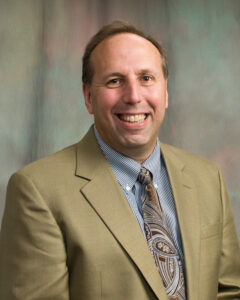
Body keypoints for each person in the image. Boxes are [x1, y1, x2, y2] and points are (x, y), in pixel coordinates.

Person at [0, 21, 239, 300]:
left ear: (165, 93)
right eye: (115, 81)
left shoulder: (208, 177)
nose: (134, 96)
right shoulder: (37, 191)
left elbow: (230, 291)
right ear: (89, 97)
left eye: (146, 78)